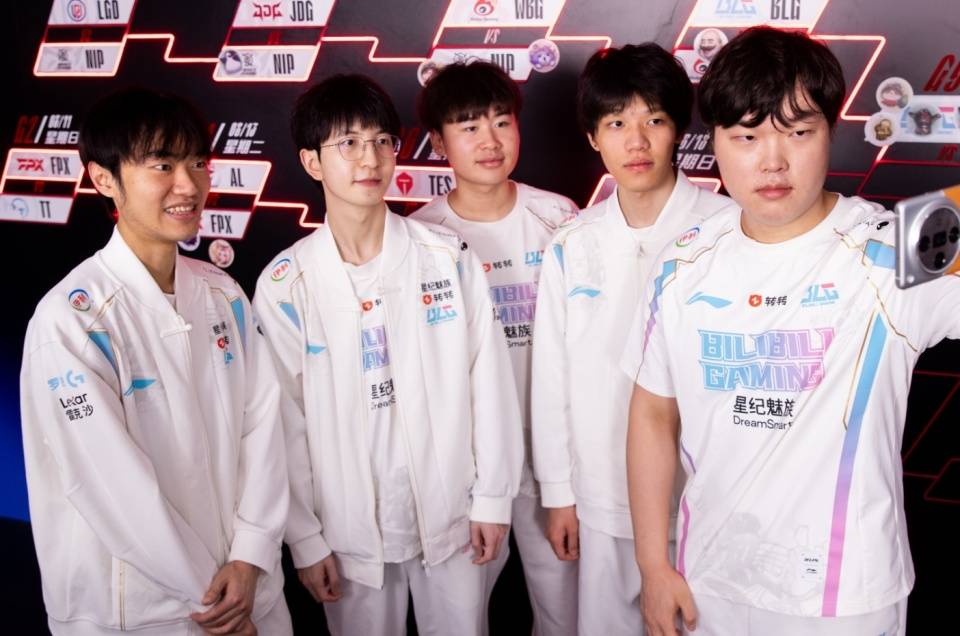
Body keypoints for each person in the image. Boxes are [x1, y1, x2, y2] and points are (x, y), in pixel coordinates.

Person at [623, 27, 927, 635]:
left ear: (831, 132)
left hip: (845, 597)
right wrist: (653, 566)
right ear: (713, 142)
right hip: (709, 584)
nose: (772, 161)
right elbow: (653, 412)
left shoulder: (892, 250)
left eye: (798, 132)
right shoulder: (683, 262)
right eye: (747, 136)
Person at [252, 74, 523, 636]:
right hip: (345, 530)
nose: (369, 158)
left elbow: (489, 382)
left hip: (453, 515)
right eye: (348, 143)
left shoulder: (445, 256)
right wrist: (305, 538)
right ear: (311, 161)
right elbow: (283, 423)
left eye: (380, 141)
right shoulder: (287, 284)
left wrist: (493, 499)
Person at [20, 87, 291, 635]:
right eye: (162, 165)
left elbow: (262, 426)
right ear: (104, 178)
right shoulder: (72, 319)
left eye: (197, 163)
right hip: (142, 613)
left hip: (251, 591)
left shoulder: (223, 293)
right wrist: (210, 598)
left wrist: (251, 554)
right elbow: (108, 483)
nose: (188, 186)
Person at [531, 44, 734, 635]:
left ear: (680, 130)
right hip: (601, 491)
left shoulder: (727, 227)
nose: (637, 141)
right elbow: (551, 378)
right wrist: (559, 492)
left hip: (707, 497)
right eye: (617, 123)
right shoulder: (573, 242)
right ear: (594, 137)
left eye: (655, 120)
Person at [411, 60, 580, 636]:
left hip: (554, 453)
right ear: (439, 143)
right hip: (468, 464)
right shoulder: (421, 236)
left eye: (502, 122)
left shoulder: (558, 217)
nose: (490, 140)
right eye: (469, 127)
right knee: (458, 619)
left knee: (565, 611)